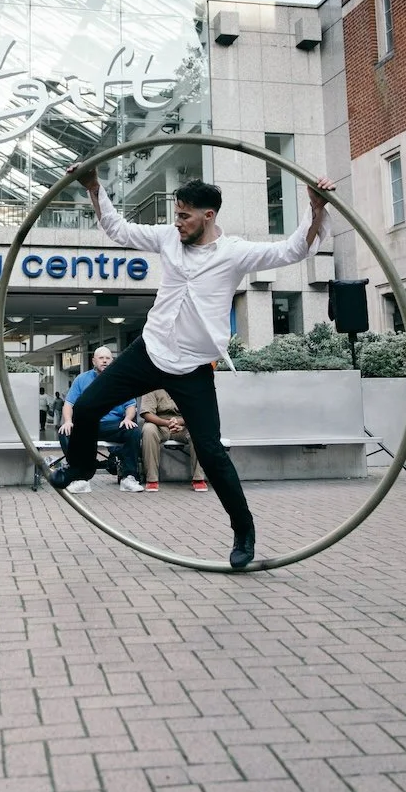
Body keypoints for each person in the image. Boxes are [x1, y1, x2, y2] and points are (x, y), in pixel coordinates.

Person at [49, 172, 334, 568]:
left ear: (208, 215)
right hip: (149, 351)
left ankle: (244, 531)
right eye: (176, 214)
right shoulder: (169, 238)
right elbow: (117, 229)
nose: (177, 221)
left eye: (184, 215)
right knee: (84, 408)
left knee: (213, 453)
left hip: (193, 367)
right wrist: (94, 187)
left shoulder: (233, 252)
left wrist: (316, 209)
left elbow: (291, 251)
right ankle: (80, 466)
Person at [59, 347, 141, 493]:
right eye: (101, 358)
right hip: (87, 425)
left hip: (112, 425)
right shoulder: (81, 379)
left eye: (108, 358)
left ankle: (129, 477)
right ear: (93, 361)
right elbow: (69, 404)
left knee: (133, 431)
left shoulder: (121, 379)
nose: (104, 361)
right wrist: (68, 421)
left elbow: (131, 405)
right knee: (65, 433)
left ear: (112, 361)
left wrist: (128, 418)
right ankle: (80, 478)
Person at [140, 388, 207, 492]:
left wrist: (180, 422)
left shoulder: (187, 386)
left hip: (183, 424)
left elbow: (195, 411)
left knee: (199, 430)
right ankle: (152, 480)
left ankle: (198, 479)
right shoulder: (152, 386)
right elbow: (147, 414)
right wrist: (167, 423)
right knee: (148, 429)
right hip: (159, 424)